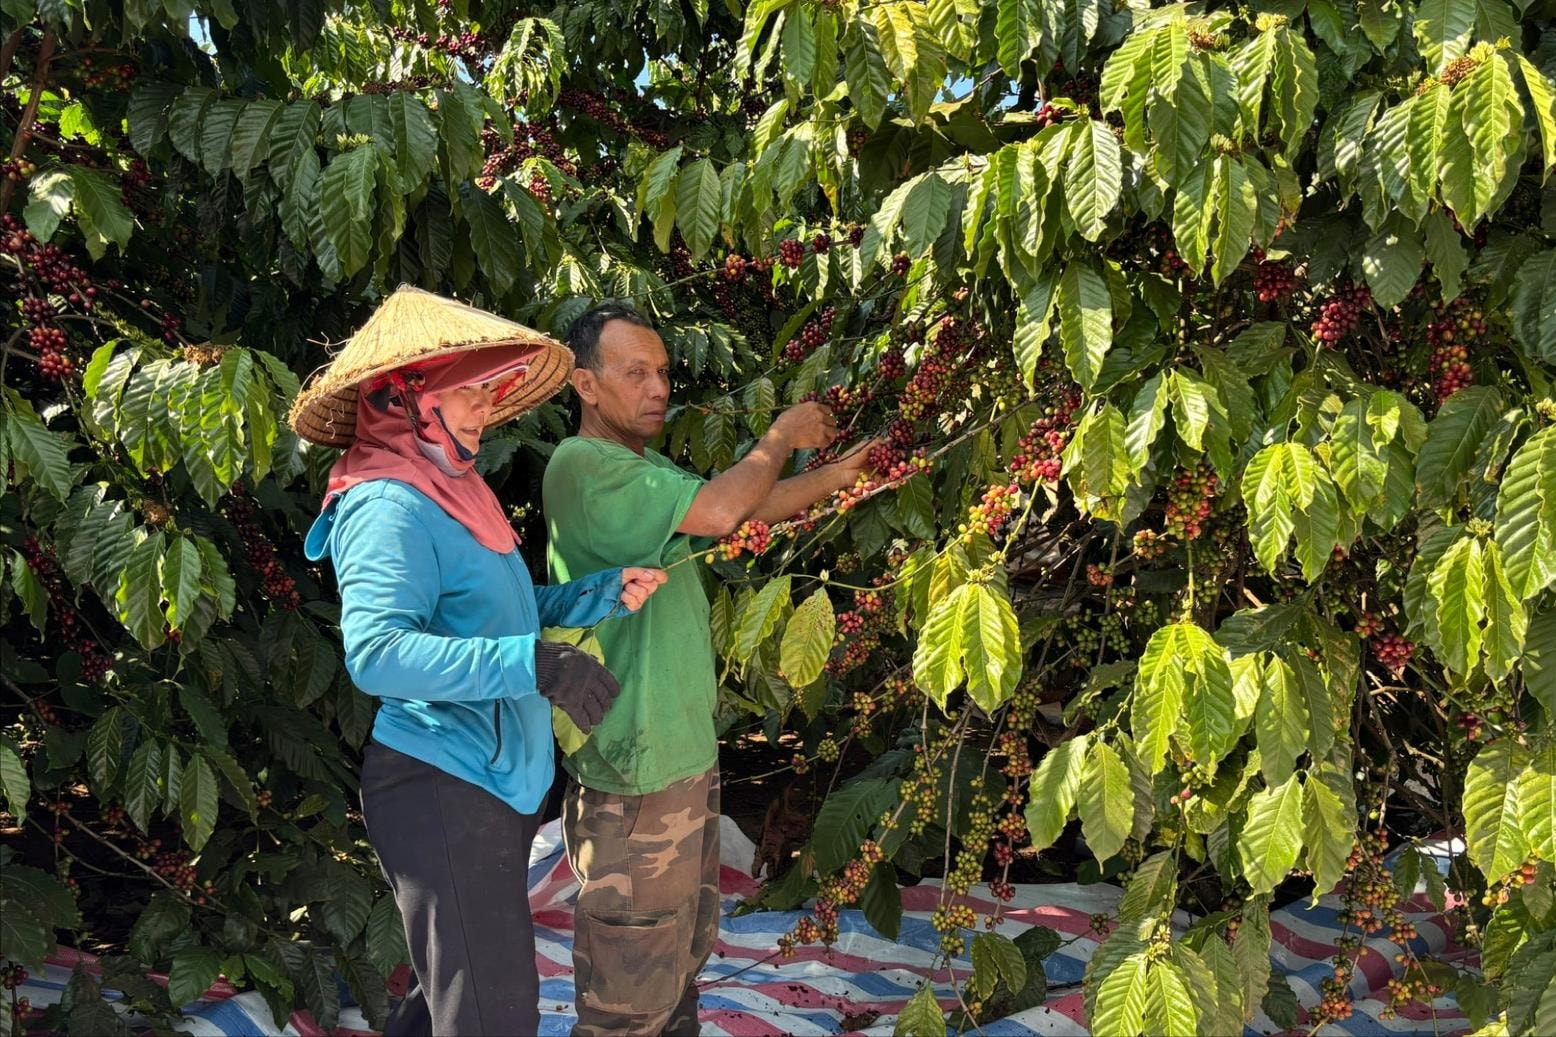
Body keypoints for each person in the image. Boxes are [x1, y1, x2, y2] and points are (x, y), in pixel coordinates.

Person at [289, 286, 668, 1036]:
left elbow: (494, 609)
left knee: (453, 993)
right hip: (439, 783)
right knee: (491, 1012)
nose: (483, 411)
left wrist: (593, 595)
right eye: (468, 393)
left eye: (489, 392)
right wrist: (536, 665)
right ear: (407, 397)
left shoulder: (452, 488)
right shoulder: (386, 504)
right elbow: (377, 653)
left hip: (489, 782)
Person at [542, 302, 879, 1036]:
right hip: (633, 777)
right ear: (586, 385)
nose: (657, 386)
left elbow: (746, 506)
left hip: (681, 761)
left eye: (663, 371)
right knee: (627, 999)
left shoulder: (644, 465)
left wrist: (840, 475)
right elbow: (728, 509)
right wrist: (781, 434)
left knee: (680, 968)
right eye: (635, 372)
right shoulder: (583, 466)